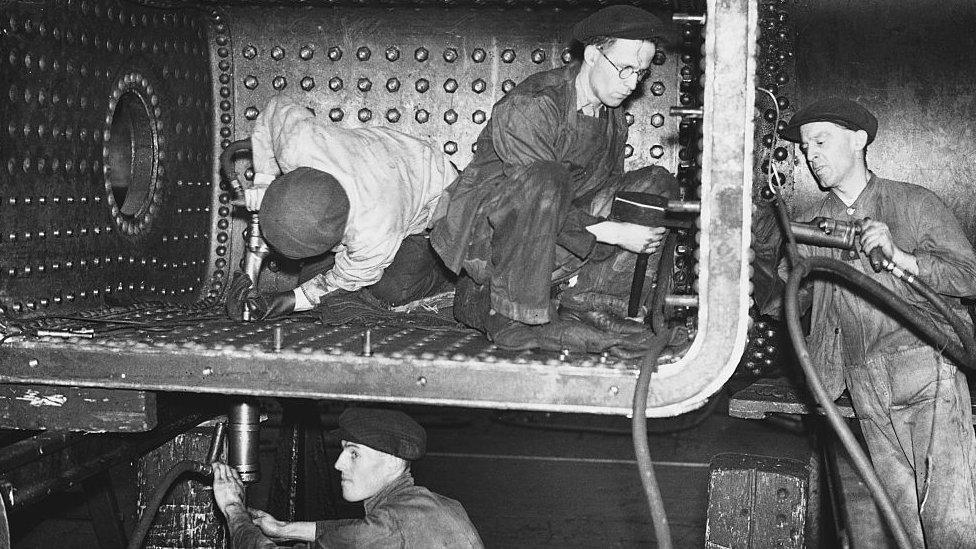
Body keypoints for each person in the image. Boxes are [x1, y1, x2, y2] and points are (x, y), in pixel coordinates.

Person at [779, 97, 976, 547]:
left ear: (858, 140)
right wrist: (766, 270)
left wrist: (904, 259)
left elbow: (969, 277)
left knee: (951, 518)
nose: (811, 156)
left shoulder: (913, 203)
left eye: (821, 142)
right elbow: (790, 300)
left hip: (926, 367)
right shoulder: (817, 228)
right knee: (901, 519)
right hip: (864, 380)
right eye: (806, 148)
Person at [429, 5, 679, 352]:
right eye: (624, 68)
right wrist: (616, 233)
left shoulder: (611, 116)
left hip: (560, 234)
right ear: (593, 55)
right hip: (494, 241)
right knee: (550, 177)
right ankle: (515, 314)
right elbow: (537, 193)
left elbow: (606, 191)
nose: (631, 83)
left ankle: (593, 304)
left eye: (640, 72)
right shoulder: (533, 106)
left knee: (655, 184)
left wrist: (630, 220)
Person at [226, 95, 458, 321]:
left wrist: (285, 301)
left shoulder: (373, 232)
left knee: (392, 291)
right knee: (307, 279)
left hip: (437, 193)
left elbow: (343, 280)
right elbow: (274, 109)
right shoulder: (298, 143)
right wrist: (264, 181)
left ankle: (443, 274)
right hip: (386, 165)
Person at [212, 407, 484, 548]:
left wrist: (234, 510)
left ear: (392, 462)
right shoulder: (444, 507)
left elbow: (373, 533)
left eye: (354, 454)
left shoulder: (388, 528)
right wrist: (285, 529)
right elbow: (359, 530)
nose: (339, 464)